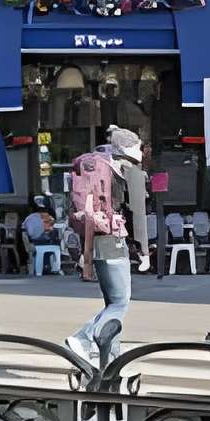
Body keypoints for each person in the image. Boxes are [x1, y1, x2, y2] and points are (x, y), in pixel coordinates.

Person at [63, 127, 149, 368]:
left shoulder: (100, 166)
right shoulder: (130, 172)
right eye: (139, 146)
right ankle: (83, 338)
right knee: (120, 303)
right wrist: (143, 251)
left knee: (111, 302)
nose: (142, 151)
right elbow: (138, 215)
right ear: (131, 148)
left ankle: (111, 359)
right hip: (113, 242)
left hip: (92, 242)